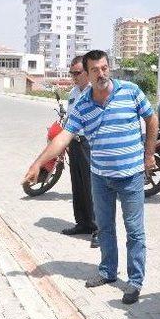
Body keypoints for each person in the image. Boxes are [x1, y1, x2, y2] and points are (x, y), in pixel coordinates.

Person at [23, 50, 158, 304]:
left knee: (135, 231)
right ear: (87, 73)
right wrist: (38, 163)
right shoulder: (83, 103)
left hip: (131, 175)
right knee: (104, 228)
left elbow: (152, 119)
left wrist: (149, 155)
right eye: (95, 70)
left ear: (110, 68)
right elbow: (63, 136)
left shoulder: (130, 90)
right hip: (101, 177)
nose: (101, 74)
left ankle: (135, 280)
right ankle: (107, 271)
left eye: (105, 68)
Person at [62, 56, 98, 248]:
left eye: (77, 73)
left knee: (93, 187)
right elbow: (69, 119)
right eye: (72, 73)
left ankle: (98, 229)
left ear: (86, 72)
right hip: (74, 142)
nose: (74, 77)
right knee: (78, 185)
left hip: (89, 143)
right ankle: (83, 223)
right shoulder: (74, 92)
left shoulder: (96, 93)